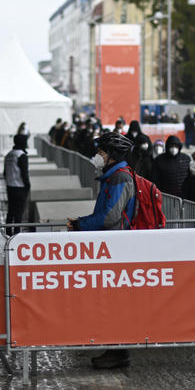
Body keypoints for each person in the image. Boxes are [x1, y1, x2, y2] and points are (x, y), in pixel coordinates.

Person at [66, 132, 136, 370]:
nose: (97, 156)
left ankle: (119, 353)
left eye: (101, 152)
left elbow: (109, 217)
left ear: (111, 156)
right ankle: (114, 349)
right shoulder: (111, 176)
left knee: (116, 303)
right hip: (110, 245)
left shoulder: (119, 178)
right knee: (111, 302)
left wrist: (80, 225)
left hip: (118, 246)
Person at [3, 134, 31, 234]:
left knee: (11, 211)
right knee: (19, 212)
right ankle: (16, 234)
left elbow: (5, 173)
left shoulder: (9, 154)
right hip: (20, 187)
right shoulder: (22, 155)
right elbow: (24, 173)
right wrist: (28, 185)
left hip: (10, 186)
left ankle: (8, 232)